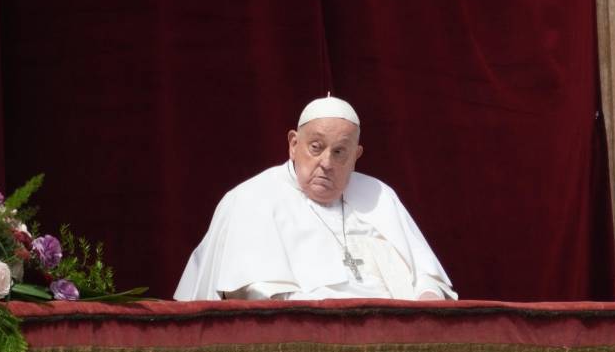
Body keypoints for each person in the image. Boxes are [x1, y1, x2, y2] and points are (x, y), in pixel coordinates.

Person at [175, 96, 456, 301]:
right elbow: (258, 294)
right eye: (316, 147)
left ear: (356, 156)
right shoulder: (251, 199)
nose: (326, 162)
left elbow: (428, 279)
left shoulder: (380, 196)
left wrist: (426, 299)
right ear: (294, 145)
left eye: (339, 152)